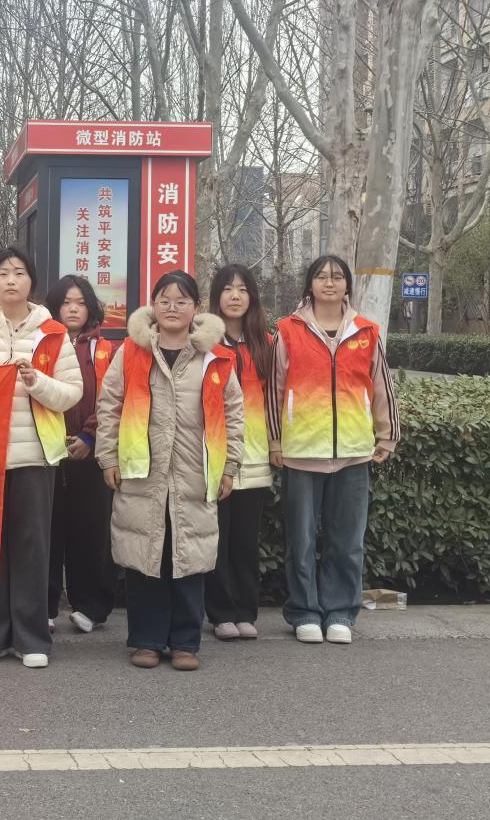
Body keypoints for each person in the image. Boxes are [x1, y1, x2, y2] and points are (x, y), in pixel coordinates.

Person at [95, 270, 244, 671]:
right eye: (164, 300)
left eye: (182, 301)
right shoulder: (132, 351)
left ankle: (184, 643)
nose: (172, 308)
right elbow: (109, 405)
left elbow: (233, 414)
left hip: (196, 471)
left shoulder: (215, 357)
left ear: (196, 308)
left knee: (188, 557)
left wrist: (230, 466)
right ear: (153, 306)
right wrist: (108, 457)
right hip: (141, 470)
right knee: (147, 556)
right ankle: (146, 640)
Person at [0, 246, 83, 669]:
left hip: (35, 456)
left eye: (19, 273)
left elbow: (71, 393)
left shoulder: (53, 333)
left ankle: (31, 638)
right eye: (3, 273)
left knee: (31, 546)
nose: (11, 280)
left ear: (32, 281)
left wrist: (36, 381)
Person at [268, 255, 400, 645]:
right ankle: (304, 611)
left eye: (338, 277)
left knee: (347, 540)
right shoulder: (287, 331)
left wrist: (387, 435)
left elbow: (381, 386)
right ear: (309, 284)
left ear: (347, 286)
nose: (330, 282)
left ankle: (341, 611)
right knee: (301, 540)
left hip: (353, 452)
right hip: (302, 450)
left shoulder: (366, 332)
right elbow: (275, 390)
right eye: (322, 276)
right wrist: (275, 440)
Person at [43, 274, 118, 635]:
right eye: (65, 302)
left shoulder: (106, 349)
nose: (73, 309)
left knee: (91, 530)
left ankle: (90, 607)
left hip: (92, 451)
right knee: (48, 529)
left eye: (80, 303)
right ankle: (44, 606)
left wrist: (89, 436)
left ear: (91, 308)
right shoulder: (42, 344)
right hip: (48, 449)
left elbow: (112, 398)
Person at [205, 265, 273, 641]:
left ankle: (247, 610)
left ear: (252, 297)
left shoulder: (266, 342)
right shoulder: (204, 343)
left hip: (256, 453)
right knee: (218, 537)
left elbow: (276, 397)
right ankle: (220, 613)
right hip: (217, 453)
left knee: (246, 539)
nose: (235, 296)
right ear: (216, 296)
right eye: (228, 289)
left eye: (243, 289)